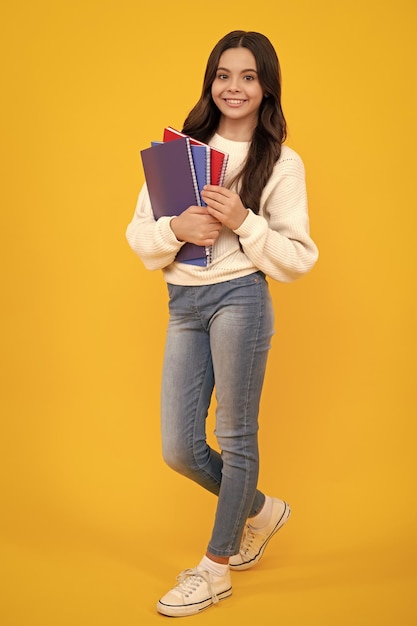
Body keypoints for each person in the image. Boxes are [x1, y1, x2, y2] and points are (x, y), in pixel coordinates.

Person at [126, 30, 318, 617]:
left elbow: (299, 259)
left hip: (241, 298)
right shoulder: (179, 151)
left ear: (266, 88)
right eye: (223, 75)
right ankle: (261, 511)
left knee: (235, 437)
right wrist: (176, 231)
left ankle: (215, 569)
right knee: (179, 448)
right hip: (183, 304)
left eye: (248, 77)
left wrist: (246, 221)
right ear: (211, 82)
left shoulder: (281, 162)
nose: (234, 87)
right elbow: (138, 235)